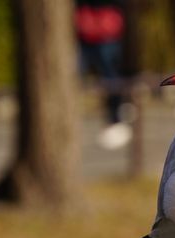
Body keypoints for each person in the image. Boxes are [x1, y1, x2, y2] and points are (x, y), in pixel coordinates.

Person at [75, 0, 132, 150]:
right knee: (75, 76)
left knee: (110, 77)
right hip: (85, 28)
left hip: (106, 30)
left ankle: (115, 118)